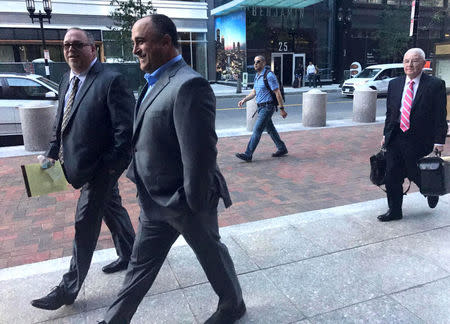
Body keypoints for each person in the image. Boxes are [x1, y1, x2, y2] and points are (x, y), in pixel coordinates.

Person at [99, 14, 245, 324]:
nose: (135, 49)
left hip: (185, 200)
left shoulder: (189, 84)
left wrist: (192, 203)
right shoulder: (154, 81)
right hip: (154, 202)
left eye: (141, 41)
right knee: (139, 266)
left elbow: (201, 154)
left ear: (166, 42)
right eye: (134, 42)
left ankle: (233, 306)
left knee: (210, 254)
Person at [30, 27, 136, 310]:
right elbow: (61, 121)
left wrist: (110, 170)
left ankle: (67, 290)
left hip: (101, 170)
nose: (70, 50)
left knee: (84, 223)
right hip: (77, 165)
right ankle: (131, 253)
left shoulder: (111, 81)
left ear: (93, 48)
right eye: (66, 45)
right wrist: (52, 153)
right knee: (112, 209)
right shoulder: (66, 79)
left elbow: (125, 134)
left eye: (77, 44)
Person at [379, 48, 447, 222]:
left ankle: (430, 191)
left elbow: (440, 115)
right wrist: (386, 135)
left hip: (420, 138)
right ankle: (394, 211)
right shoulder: (394, 84)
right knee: (392, 174)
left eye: (415, 61)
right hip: (396, 137)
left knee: (415, 172)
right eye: (406, 61)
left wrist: (439, 141)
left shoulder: (435, 85)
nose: (410, 64)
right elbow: (391, 113)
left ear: (423, 64)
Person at [235, 55, 288, 162]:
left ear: (263, 63)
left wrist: (282, 109)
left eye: (258, 62)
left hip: (267, 107)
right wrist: (244, 100)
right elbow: (254, 92)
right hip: (260, 107)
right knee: (270, 129)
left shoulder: (269, 76)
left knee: (257, 129)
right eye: (254, 62)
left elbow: (277, 93)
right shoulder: (257, 76)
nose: (255, 64)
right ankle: (282, 148)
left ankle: (248, 154)